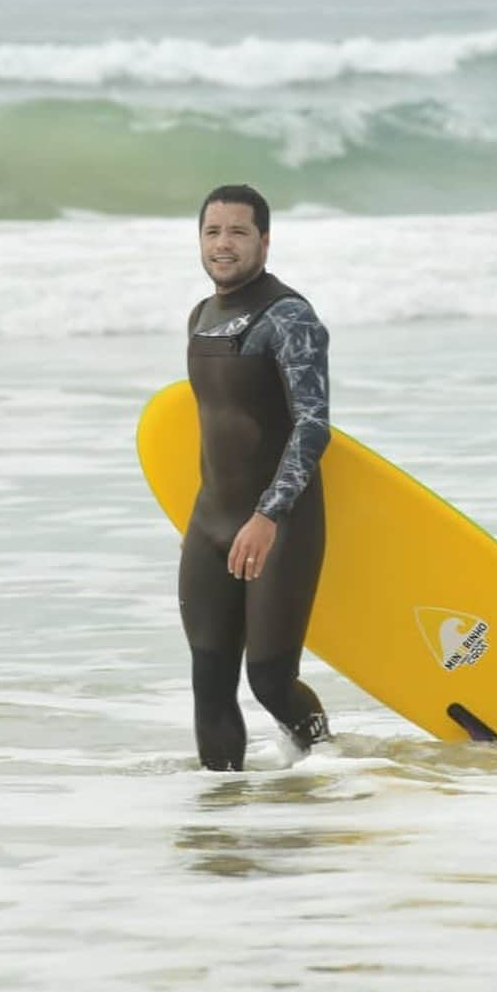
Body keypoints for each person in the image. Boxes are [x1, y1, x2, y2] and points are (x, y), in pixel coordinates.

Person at [178, 184, 332, 771]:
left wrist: (267, 515)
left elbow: (313, 426)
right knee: (210, 680)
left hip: (280, 523)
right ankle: (223, 817)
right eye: (213, 232)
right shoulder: (200, 316)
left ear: (264, 241)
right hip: (210, 519)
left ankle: (325, 765)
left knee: (269, 678)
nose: (224, 244)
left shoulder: (289, 316)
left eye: (238, 232)